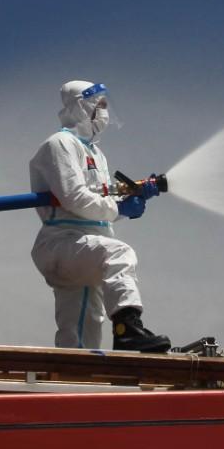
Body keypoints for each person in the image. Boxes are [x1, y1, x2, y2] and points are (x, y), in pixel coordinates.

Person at [29, 80, 168, 352]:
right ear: (81, 106)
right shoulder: (60, 144)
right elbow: (75, 197)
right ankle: (127, 330)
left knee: (82, 331)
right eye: (99, 105)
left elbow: (99, 199)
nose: (104, 111)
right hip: (63, 242)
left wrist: (126, 201)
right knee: (119, 254)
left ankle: (73, 372)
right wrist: (120, 209)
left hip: (85, 245)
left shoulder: (95, 153)